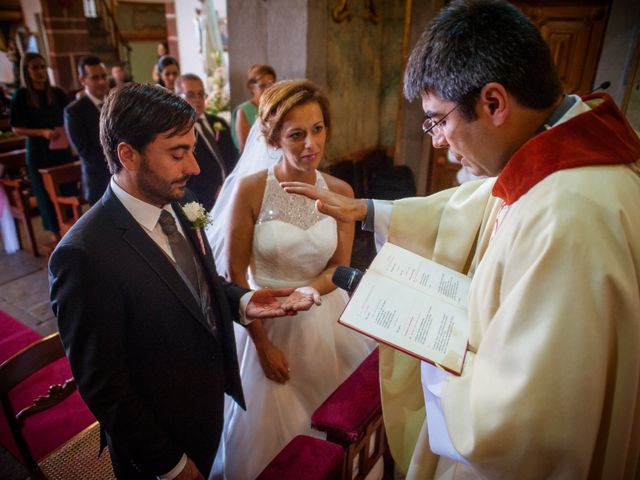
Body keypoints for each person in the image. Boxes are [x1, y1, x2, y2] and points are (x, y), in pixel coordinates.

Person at [283, 0, 640, 478]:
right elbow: (475, 205)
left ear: (493, 102)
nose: (435, 140)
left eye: (437, 120)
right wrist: (365, 209)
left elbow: (516, 425)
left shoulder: (569, 217)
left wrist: (438, 354)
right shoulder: (559, 153)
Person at [49, 83, 319, 480]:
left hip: (209, 405)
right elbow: (105, 387)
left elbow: (195, 286)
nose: (193, 166)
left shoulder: (178, 200)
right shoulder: (85, 255)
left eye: (192, 149)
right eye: (178, 153)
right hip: (158, 436)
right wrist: (170, 465)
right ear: (128, 155)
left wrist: (242, 302)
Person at [207, 80, 375, 479]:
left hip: (323, 316)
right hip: (266, 320)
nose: (310, 145)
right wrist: (262, 343)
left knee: (335, 422)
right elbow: (234, 274)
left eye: (318, 129)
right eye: (296, 134)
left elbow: (338, 267)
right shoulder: (250, 191)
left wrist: (304, 292)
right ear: (273, 137)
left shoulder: (339, 191)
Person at [10, 52, 74, 243]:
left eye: (41, 67)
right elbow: (16, 127)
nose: (39, 72)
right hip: (39, 152)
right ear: (27, 71)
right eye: (35, 68)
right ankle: (56, 235)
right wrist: (42, 133)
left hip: (60, 149)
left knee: (68, 189)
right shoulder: (22, 96)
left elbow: (68, 118)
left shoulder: (57, 93)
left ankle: (72, 229)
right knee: (46, 195)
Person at [175, 73, 238, 211]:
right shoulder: (177, 131)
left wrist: (232, 184)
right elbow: (184, 170)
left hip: (232, 193)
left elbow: (232, 157)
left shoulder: (218, 123)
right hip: (203, 201)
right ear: (178, 97)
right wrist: (213, 191)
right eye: (191, 95)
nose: (197, 100)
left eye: (201, 94)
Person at [64, 55, 111, 205]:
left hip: (124, 178)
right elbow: (86, 152)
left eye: (104, 76)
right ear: (83, 80)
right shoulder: (74, 111)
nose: (102, 82)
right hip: (99, 180)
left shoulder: (114, 103)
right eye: (95, 78)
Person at [230, 64, 276, 152]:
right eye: (262, 86)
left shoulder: (275, 108)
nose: (268, 90)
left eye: (270, 85)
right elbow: (244, 146)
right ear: (252, 87)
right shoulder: (243, 111)